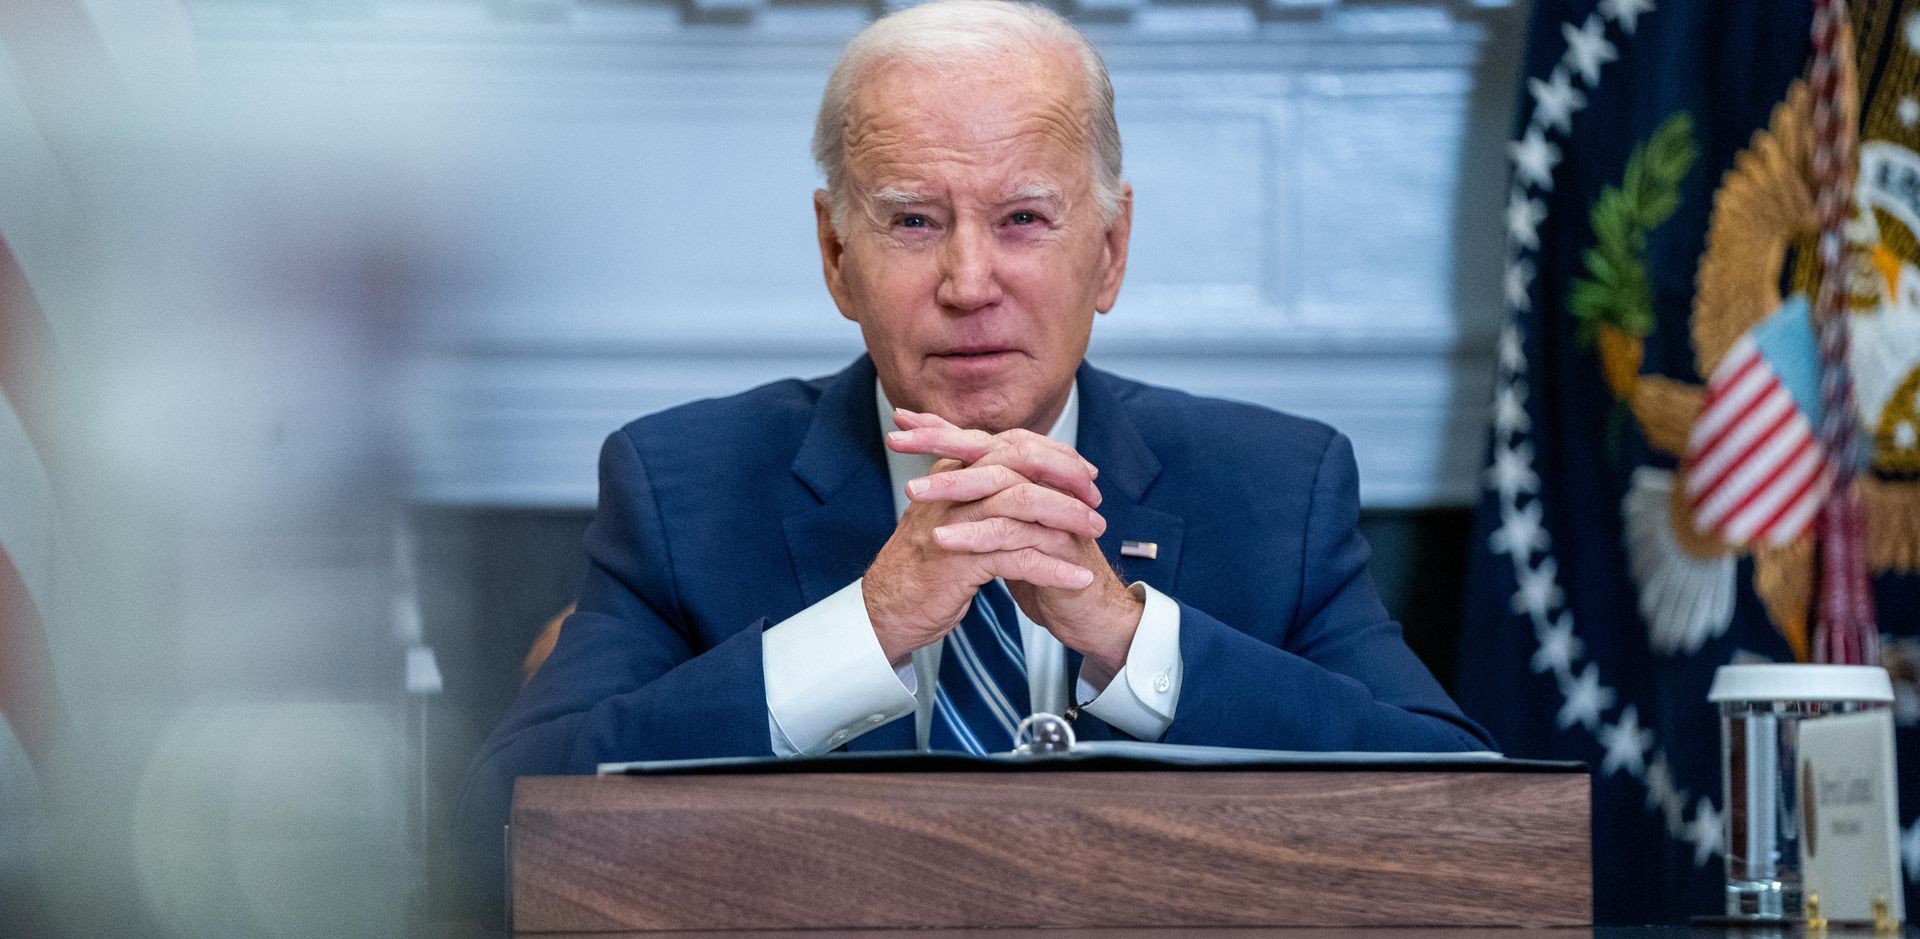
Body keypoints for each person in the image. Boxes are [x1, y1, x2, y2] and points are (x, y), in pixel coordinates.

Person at [460, 0, 1493, 840]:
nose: (968, 283)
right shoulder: (681, 484)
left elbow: (1470, 805)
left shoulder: (1275, 486)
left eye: (1023, 220)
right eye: (913, 220)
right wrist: (866, 628)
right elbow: (501, 822)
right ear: (836, 256)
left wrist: (1127, 636)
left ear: (1110, 251)